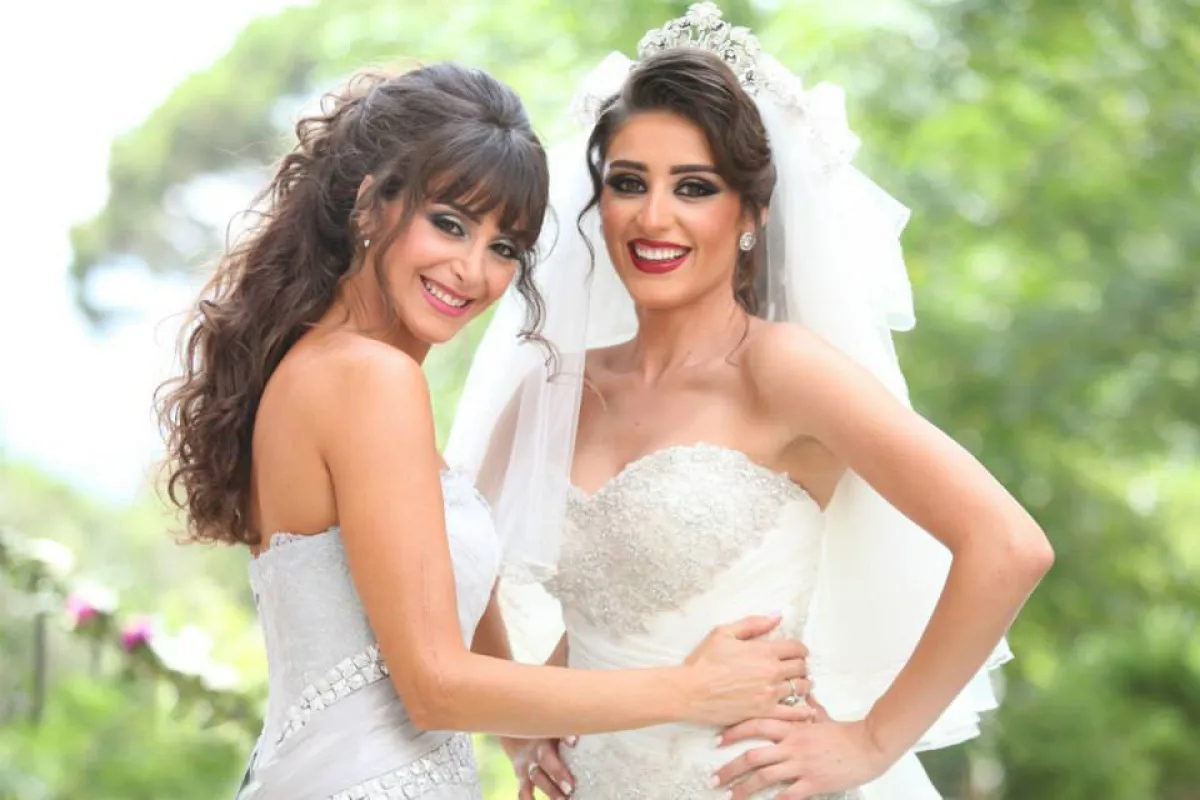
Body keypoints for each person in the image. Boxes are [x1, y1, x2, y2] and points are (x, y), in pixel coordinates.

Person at [157, 61, 814, 800]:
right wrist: (690, 690)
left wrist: (523, 731)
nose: (473, 271)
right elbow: (434, 687)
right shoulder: (370, 379)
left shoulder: (321, 364)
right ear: (371, 205)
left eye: (505, 248)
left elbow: (422, 611)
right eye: (450, 224)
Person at [447, 4, 1054, 798]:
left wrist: (871, 742)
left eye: (693, 187)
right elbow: (460, 562)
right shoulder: (557, 384)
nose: (653, 216)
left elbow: (1008, 545)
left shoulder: (784, 371)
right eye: (628, 183)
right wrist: (520, 727)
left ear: (751, 214)